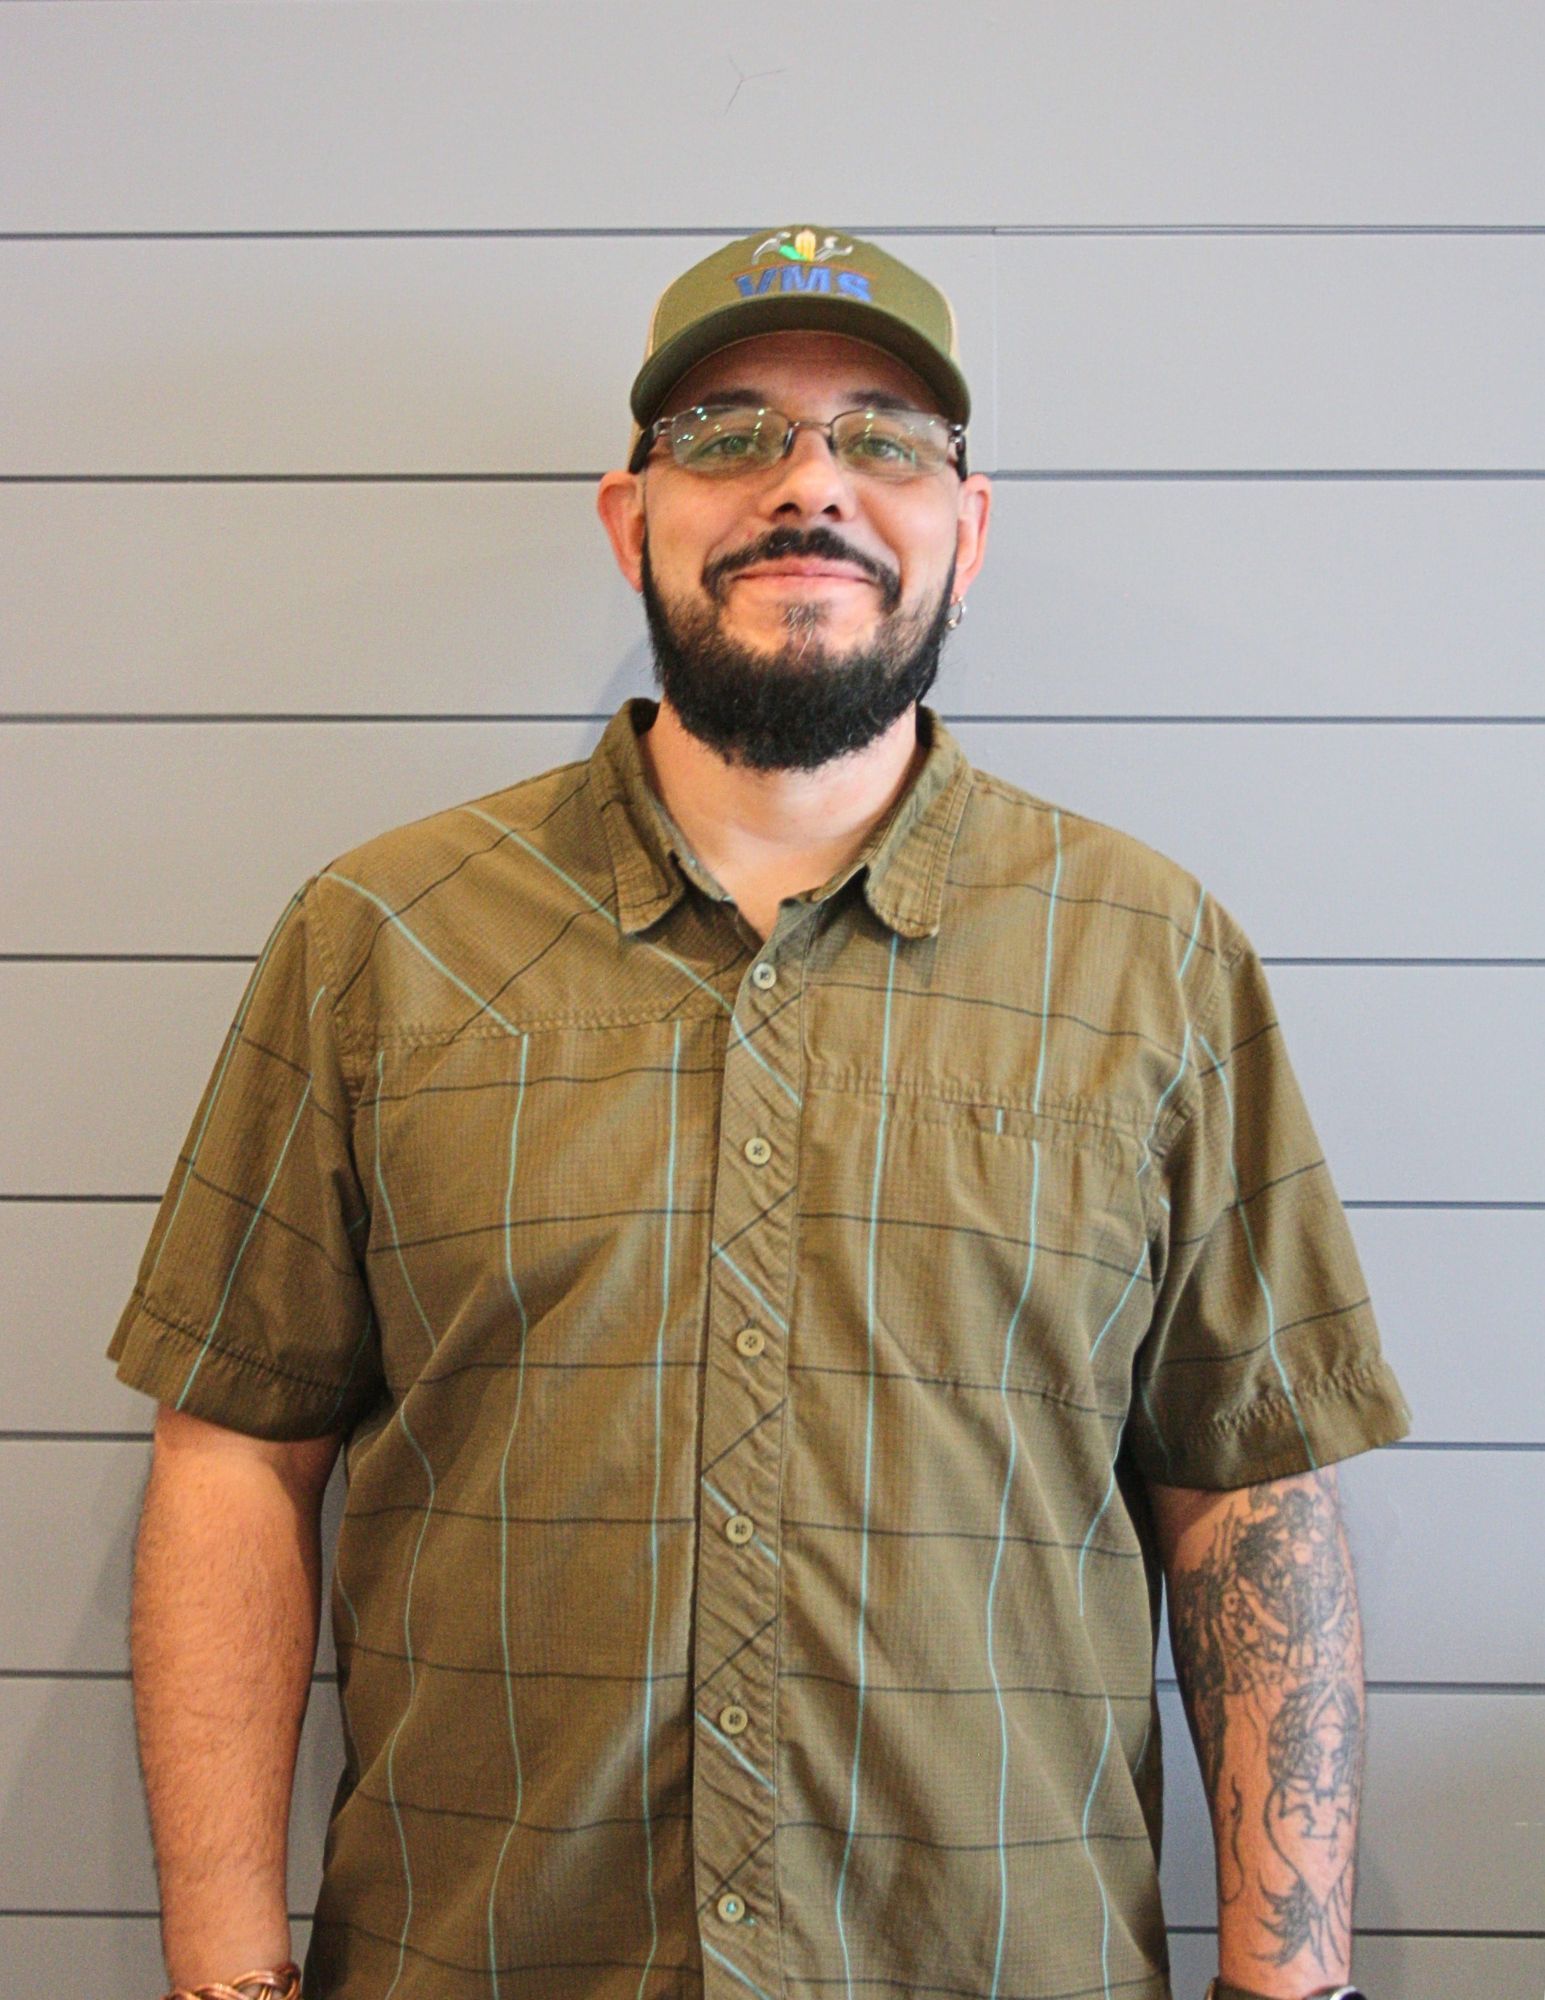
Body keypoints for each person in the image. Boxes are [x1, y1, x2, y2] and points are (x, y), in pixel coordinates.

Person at [112, 226, 1407, 2000]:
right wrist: (222, 1976)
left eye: (885, 438)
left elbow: (1246, 1496)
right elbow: (233, 1464)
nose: (810, 484)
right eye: (728, 433)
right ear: (625, 513)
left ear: (969, 524)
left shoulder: (1150, 957)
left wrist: (1293, 1981)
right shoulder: (382, 943)